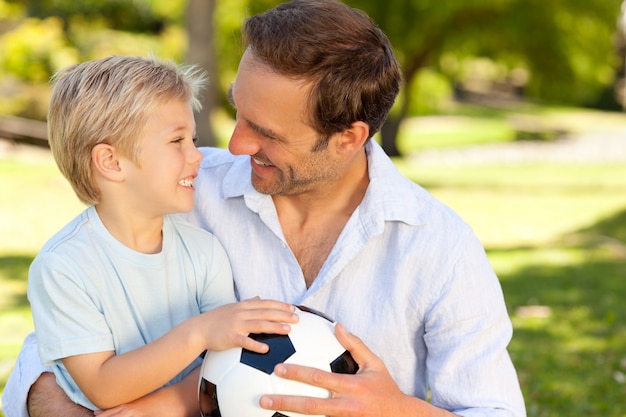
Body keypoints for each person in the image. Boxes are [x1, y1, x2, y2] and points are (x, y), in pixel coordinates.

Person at [3, 1, 527, 416]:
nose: (233, 145)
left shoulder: (439, 246)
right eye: (237, 110)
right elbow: (56, 350)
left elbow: (495, 410)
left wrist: (396, 412)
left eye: (267, 132)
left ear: (347, 139)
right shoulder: (182, 188)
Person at [15, 55, 298, 414]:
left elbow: (221, 368)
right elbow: (102, 386)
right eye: (177, 141)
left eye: (192, 139)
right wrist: (199, 332)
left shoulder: (203, 252)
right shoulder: (64, 267)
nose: (197, 156)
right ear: (111, 162)